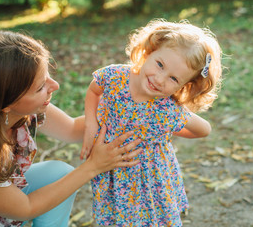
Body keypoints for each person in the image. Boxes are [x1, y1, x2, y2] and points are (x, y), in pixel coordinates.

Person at [0, 30, 143, 227]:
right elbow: (24, 209)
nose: (55, 86)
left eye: (47, 75)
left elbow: (71, 129)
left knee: (60, 174)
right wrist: (93, 166)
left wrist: (132, 113)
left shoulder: (22, 109)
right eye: (40, 87)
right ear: (5, 103)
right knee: (68, 178)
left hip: (3, 203)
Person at [80, 19, 223, 226]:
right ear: (150, 51)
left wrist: (165, 132)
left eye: (174, 79)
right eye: (159, 65)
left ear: (184, 86)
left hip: (152, 180)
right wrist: (90, 124)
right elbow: (94, 90)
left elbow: (204, 129)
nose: (159, 79)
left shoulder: (167, 109)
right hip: (115, 171)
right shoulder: (114, 76)